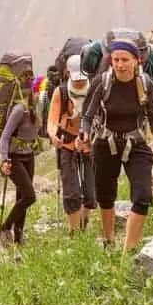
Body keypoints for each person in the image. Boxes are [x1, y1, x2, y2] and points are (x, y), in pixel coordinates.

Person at [78, 39, 153, 251]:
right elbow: (87, 115)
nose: (119, 64)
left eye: (125, 60)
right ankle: (108, 241)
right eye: (116, 59)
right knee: (105, 196)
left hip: (135, 143)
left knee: (143, 196)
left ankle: (128, 250)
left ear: (137, 61)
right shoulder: (102, 82)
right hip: (105, 144)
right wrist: (84, 134)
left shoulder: (146, 84)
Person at [47, 55, 97, 233]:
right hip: (66, 144)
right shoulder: (60, 92)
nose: (79, 82)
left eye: (82, 79)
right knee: (71, 193)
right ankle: (74, 232)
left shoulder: (94, 89)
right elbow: (52, 121)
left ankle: (83, 223)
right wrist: (54, 136)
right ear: (68, 73)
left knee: (91, 194)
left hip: (89, 144)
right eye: (76, 79)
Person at [0, 70, 40, 246]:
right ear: (32, 91)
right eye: (39, 91)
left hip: (29, 156)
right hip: (14, 157)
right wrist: (4, 160)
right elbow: (5, 136)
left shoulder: (35, 109)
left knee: (21, 197)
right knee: (30, 197)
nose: (42, 95)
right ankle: (4, 227)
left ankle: (18, 236)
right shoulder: (19, 109)